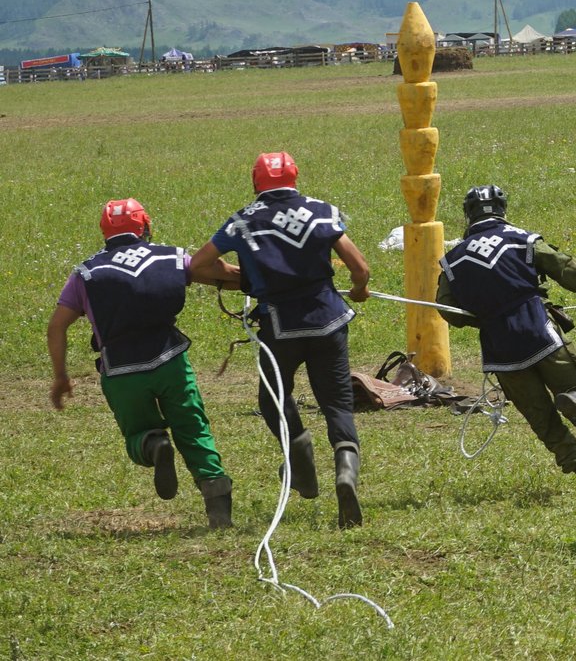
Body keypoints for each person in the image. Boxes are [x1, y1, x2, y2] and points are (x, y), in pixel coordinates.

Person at [189, 152, 372, 529]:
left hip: (280, 325)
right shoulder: (322, 211)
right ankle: (345, 472)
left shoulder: (241, 221)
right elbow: (360, 267)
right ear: (295, 177)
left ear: (256, 182)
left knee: (272, 400)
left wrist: (241, 278)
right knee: (337, 402)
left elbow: (198, 266)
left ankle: (299, 450)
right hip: (328, 319)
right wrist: (358, 289)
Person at [48, 199, 235, 528]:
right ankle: (218, 506)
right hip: (170, 361)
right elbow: (223, 274)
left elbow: (57, 326)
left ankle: (153, 445)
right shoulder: (172, 257)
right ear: (145, 227)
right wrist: (266, 283)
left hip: (121, 372)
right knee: (193, 429)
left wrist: (61, 376)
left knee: (137, 432)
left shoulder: (86, 274)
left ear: (105, 232)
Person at [437, 185, 576, 487]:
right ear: (502, 210)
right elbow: (566, 268)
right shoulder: (523, 240)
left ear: (468, 215)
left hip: (500, 350)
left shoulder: (452, 261)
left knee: (539, 415)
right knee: (573, 383)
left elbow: (448, 310)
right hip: (539, 332)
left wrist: (485, 317)